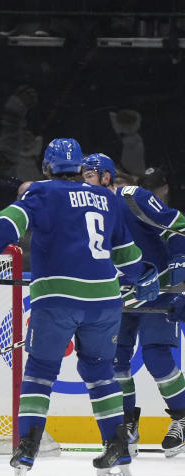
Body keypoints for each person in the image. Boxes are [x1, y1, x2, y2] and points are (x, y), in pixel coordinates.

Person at [0, 138, 159, 476]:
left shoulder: (41, 192)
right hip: (104, 301)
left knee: (40, 370)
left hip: (57, 298)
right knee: (100, 371)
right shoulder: (107, 199)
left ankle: (28, 448)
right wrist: (146, 278)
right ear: (79, 168)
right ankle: (117, 449)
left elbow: (9, 222)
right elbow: (127, 256)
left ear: (47, 167)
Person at [82, 153, 185, 458]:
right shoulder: (82, 209)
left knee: (156, 357)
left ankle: (181, 417)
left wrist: (181, 274)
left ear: (106, 177)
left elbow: (177, 226)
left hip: (159, 288)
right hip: (119, 294)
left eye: (89, 177)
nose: (84, 185)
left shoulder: (133, 198)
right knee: (115, 362)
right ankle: (128, 424)